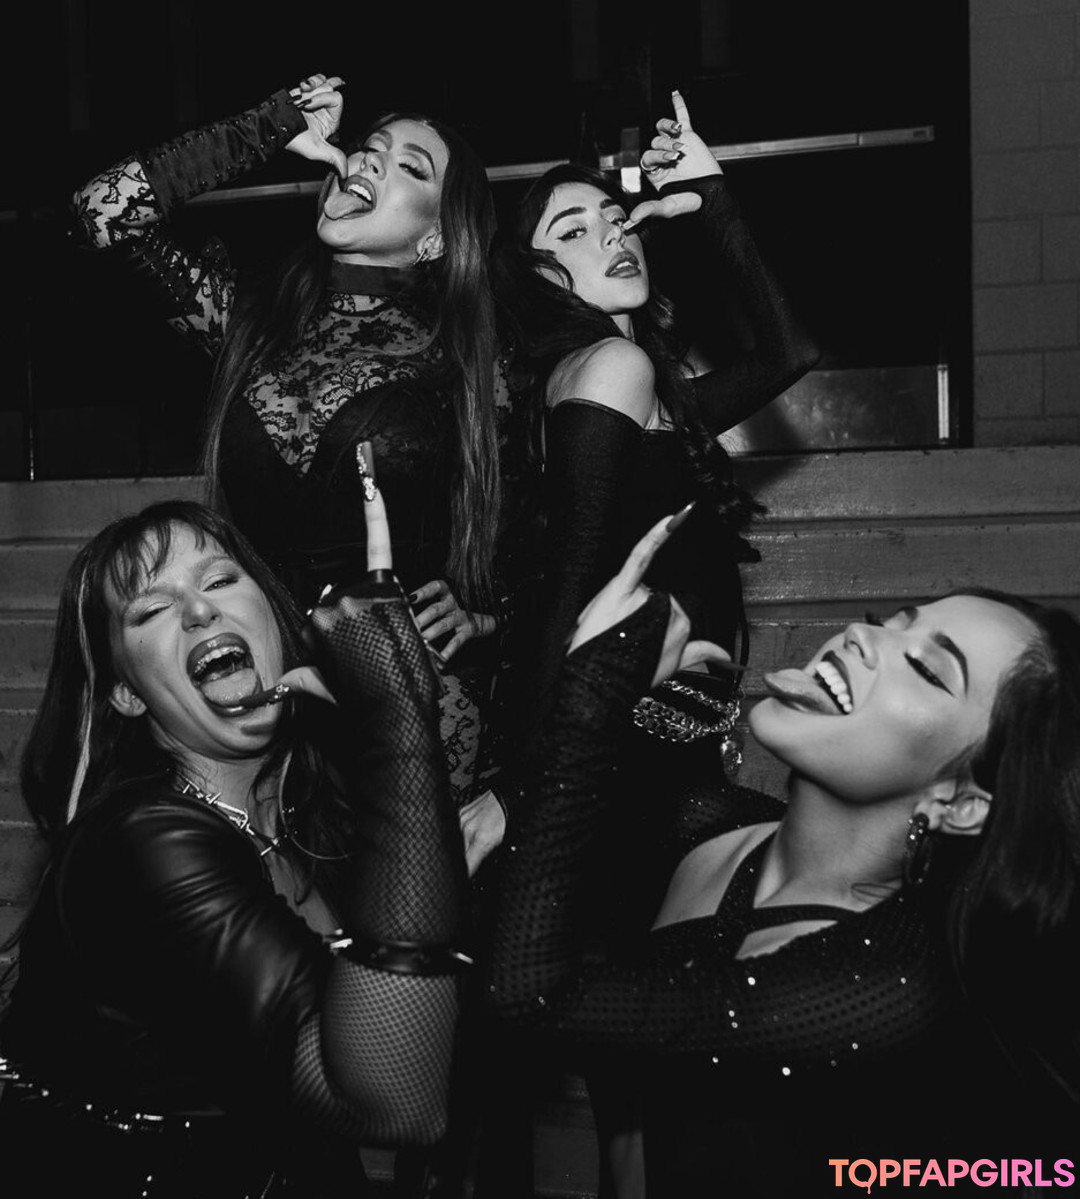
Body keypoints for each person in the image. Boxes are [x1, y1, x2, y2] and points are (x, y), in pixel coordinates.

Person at [487, 513, 1080, 1197]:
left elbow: (531, 996)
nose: (863, 634)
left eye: (925, 668)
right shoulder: (707, 826)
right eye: (891, 622)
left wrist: (590, 698)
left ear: (960, 800)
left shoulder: (891, 982)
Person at [0, 476, 472, 1197]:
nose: (198, 610)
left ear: (276, 624)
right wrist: (398, 724)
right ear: (127, 692)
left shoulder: (318, 821)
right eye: (151, 609)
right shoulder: (142, 845)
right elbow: (396, 1102)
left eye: (220, 579)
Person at [72, 72, 502, 805]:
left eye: (408, 165)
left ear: (436, 235)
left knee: (416, 880)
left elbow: (562, 516)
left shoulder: (464, 353)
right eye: (368, 149)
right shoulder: (247, 322)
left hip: (412, 690)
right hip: (260, 685)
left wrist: (488, 613)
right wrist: (268, 127)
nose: (369, 162)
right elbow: (103, 211)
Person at [468, 89, 819, 860]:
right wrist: (516, 791)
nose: (611, 235)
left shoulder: (639, 388)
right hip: (619, 770)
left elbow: (788, 353)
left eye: (615, 219)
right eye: (572, 231)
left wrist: (710, 193)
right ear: (538, 278)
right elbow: (571, 585)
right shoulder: (611, 368)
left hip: (652, 758)